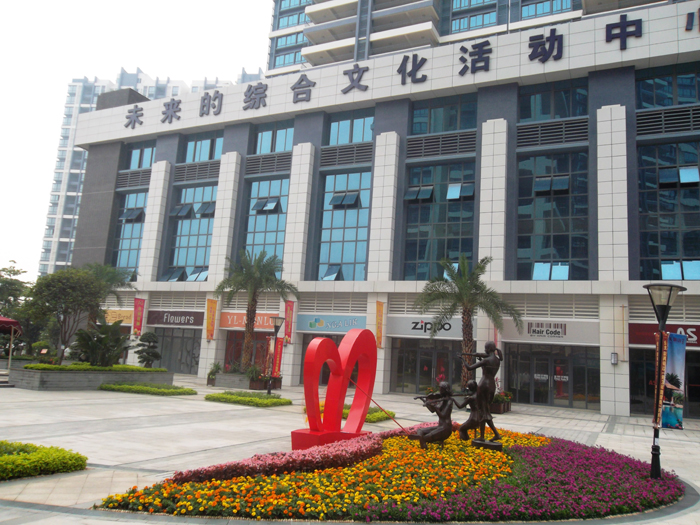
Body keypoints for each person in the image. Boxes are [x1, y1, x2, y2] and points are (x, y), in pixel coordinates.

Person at [463, 341, 503, 442]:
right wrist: (482, 361)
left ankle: (491, 435)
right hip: (491, 385)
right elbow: (487, 371)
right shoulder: (497, 360)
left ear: (488, 349)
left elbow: (469, 368)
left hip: (483, 385)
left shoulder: (486, 360)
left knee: (483, 411)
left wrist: (463, 359)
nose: (484, 350)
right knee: (485, 411)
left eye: (485, 348)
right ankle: (484, 436)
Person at [409, 381, 455, 449]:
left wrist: (435, 407)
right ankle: (420, 438)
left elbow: (442, 415)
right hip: (440, 426)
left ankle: (423, 446)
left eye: (441, 389)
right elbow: (432, 410)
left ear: (445, 390)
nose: (439, 391)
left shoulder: (449, 401)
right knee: (420, 430)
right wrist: (425, 401)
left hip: (445, 429)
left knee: (424, 438)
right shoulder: (442, 400)